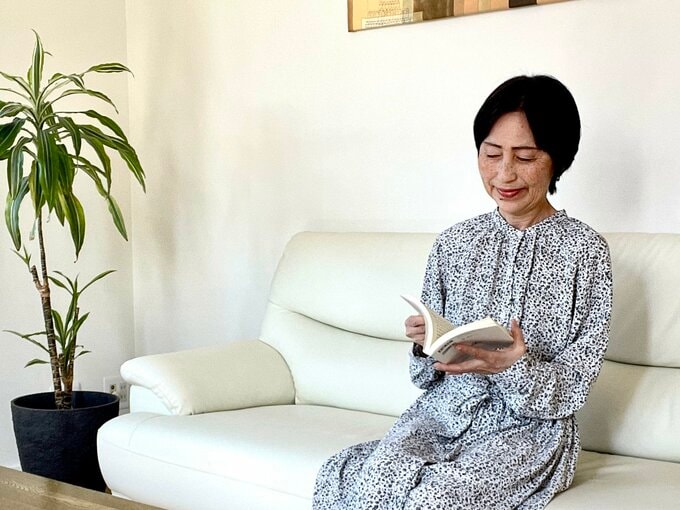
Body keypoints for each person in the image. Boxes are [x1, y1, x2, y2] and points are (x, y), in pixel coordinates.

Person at [312, 75, 613, 509]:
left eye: (525, 157)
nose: (504, 173)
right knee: (363, 482)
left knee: (433, 499)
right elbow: (423, 377)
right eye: (491, 154)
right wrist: (426, 344)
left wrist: (514, 368)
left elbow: (576, 384)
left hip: (528, 432)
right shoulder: (454, 243)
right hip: (442, 415)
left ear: (557, 159)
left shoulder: (586, 251)